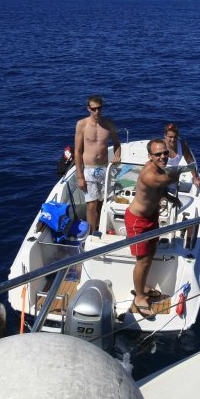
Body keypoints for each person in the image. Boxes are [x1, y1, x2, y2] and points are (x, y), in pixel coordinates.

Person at [126, 138, 183, 316]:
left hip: (151, 217)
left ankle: (142, 287)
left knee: (149, 255)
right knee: (141, 261)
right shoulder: (149, 174)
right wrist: (182, 169)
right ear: (150, 156)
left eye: (165, 152)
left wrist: (169, 197)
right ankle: (140, 297)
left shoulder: (159, 170)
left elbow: (160, 188)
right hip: (138, 221)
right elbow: (166, 179)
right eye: (158, 154)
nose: (163, 156)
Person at [74, 95, 121, 234]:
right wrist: (80, 176)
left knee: (102, 202)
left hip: (105, 169)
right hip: (89, 169)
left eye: (99, 108)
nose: (97, 112)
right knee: (91, 205)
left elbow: (117, 144)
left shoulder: (108, 124)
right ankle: (91, 234)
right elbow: (77, 151)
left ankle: (99, 228)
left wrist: (117, 155)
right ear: (88, 108)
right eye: (93, 109)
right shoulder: (81, 124)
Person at [163, 122, 200, 188]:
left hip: (174, 180)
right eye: (170, 137)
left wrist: (195, 178)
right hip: (161, 181)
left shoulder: (182, 144)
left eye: (175, 137)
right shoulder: (160, 146)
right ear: (165, 136)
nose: (173, 140)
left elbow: (190, 161)